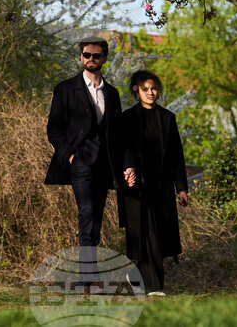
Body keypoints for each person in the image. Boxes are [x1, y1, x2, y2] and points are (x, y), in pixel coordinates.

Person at [44, 36, 137, 292]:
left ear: (104, 58)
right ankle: (89, 276)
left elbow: (119, 136)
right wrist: (71, 155)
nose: (91, 60)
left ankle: (88, 276)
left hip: (105, 166)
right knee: (86, 215)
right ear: (81, 57)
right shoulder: (65, 89)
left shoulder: (112, 93)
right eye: (87, 55)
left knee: (95, 219)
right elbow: (54, 129)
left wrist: (128, 165)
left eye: (96, 56)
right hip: (80, 164)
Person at [118, 69, 188, 296]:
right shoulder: (127, 118)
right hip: (136, 187)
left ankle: (138, 275)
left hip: (162, 186)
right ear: (136, 92)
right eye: (146, 89)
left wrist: (182, 188)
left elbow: (176, 156)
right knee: (147, 234)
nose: (151, 93)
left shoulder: (168, 118)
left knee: (158, 233)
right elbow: (123, 149)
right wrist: (128, 170)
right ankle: (155, 287)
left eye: (154, 88)